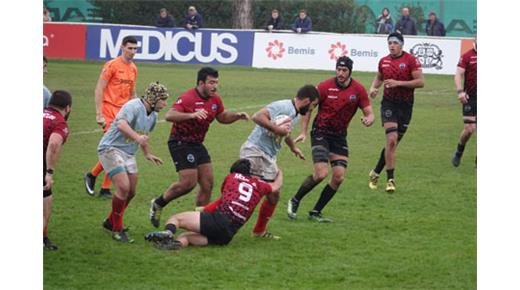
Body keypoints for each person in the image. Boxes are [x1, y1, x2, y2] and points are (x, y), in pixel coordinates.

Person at [149, 67, 249, 228]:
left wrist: (236, 116)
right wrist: (192, 115)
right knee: (188, 183)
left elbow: (222, 117)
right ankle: (158, 203)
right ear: (201, 83)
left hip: (197, 144)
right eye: (211, 82)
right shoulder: (188, 98)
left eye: (216, 82)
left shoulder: (215, 99)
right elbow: (169, 116)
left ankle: (199, 222)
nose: (214, 86)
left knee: (207, 184)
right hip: (180, 142)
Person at [287, 56, 374, 222]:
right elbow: (308, 108)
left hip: (339, 137)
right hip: (320, 133)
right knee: (321, 174)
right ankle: (295, 200)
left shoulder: (358, 90)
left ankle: (316, 212)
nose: (340, 73)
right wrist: (304, 131)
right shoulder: (325, 86)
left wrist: (369, 119)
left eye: (344, 70)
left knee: (339, 177)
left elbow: (369, 113)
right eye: (338, 69)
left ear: (350, 71)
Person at [144, 159, 282, 250]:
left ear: (233, 171)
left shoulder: (231, 177)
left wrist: (203, 210)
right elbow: (276, 186)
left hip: (219, 220)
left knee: (176, 219)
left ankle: (168, 233)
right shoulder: (259, 185)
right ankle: (174, 245)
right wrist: (279, 172)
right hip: (228, 235)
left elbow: (223, 199)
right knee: (186, 236)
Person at [240, 84, 320, 238]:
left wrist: (293, 148)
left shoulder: (295, 113)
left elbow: (285, 132)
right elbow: (257, 116)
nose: (312, 110)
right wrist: (276, 129)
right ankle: (215, 217)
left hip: (268, 156)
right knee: (247, 193)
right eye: (313, 106)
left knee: (273, 194)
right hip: (255, 151)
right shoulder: (282, 106)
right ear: (306, 101)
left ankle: (259, 231)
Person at [99, 82, 169, 243]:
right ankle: (117, 230)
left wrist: (147, 153)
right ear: (153, 98)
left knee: (131, 192)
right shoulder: (133, 106)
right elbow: (121, 124)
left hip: (129, 153)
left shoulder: (153, 116)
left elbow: (143, 136)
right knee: (123, 187)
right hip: (110, 148)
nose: (165, 104)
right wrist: (137, 138)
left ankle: (110, 222)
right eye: (163, 100)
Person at [367, 33, 424, 192]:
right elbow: (379, 77)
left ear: (402, 44)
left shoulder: (411, 60)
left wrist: (398, 83)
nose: (392, 45)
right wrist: (374, 88)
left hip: (406, 106)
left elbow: (421, 82)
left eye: (395, 43)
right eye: (389, 43)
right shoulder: (383, 61)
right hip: (389, 104)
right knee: (391, 139)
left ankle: (375, 172)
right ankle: (390, 180)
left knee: (393, 144)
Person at [84, 36, 138, 198]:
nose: (132, 52)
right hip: (109, 111)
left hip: (123, 114)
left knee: (117, 149)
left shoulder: (134, 68)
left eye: (135, 49)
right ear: (122, 47)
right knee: (113, 148)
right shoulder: (112, 65)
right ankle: (103, 185)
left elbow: (132, 93)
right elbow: (99, 89)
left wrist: (138, 109)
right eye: (130, 48)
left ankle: (94, 177)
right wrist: (99, 114)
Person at [44, 90, 73, 250]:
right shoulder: (59, 122)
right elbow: (54, 144)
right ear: (67, 107)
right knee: (45, 203)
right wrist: (49, 172)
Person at [452, 39, 477, 167]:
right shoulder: (467, 56)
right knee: (469, 129)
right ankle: (459, 151)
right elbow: (457, 75)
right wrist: (460, 91)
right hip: (470, 97)